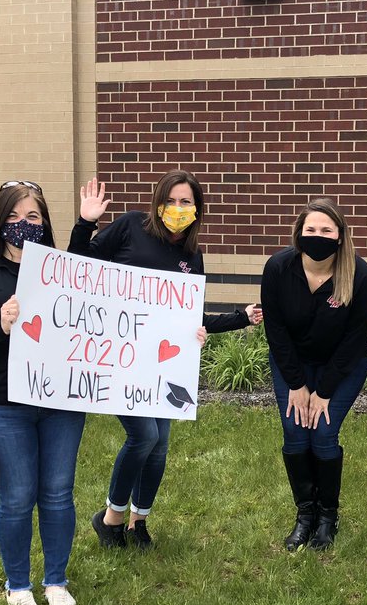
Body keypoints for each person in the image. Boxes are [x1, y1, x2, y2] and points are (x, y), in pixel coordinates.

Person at [72, 172, 261, 550]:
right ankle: (110, 519)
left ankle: (138, 523)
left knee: (160, 445)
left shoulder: (192, 255)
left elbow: (192, 317)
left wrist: (240, 318)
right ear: (159, 202)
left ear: (197, 209)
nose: (178, 208)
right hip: (120, 355)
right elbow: (79, 269)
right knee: (144, 435)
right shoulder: (130, 227)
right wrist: (85, 222)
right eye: (172, 200)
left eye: (186, 202)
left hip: (163, 364)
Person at [0, 180, 86, 605]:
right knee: (18, 496)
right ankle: (18, 584)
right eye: (12, 217)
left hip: (61, 402)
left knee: (59, 493)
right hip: (5, 403)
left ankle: (56, 581)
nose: (22, 224)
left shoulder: (65, 273)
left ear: (44, 223)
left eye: (32, 217)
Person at [261, 198, 367, 550]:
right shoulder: (279, 268)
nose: (318, 235)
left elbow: (355, 342)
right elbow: (276, 332)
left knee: (323, 432)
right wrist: (297, 385)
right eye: (310, 229)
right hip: (292, 364)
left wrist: (323, 391)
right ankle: (305, 516)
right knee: (296, 432)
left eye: (327, 230)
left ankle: (328, 518)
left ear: (340, 236)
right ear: (299, 233)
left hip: (342, 366)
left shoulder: (360, 275)